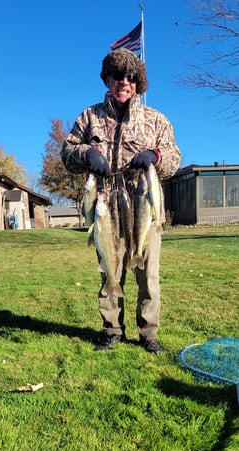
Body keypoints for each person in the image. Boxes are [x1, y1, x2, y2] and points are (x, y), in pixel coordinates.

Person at [61, 48, 181, 352]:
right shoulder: (89, 116)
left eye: (131, 76)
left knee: (147, 274)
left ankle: (148, 333)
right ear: (107, 79)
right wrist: (86, 153)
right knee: (110, 269)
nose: (124, 81)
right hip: (105, 209)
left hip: (145, 208)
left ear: (138, 82)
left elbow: (173, 160)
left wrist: (154, 155)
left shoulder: (157, 120)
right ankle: (112, 330)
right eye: (117, 75)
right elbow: (67, 153)